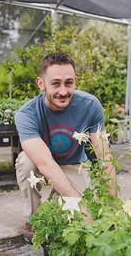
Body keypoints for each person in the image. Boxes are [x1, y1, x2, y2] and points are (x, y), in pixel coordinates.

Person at [15, 52, 117, 238]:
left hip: (74, 165)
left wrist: (112, 205)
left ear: (75, 81)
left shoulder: (91, 105)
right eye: (55, 83)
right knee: (25, 161)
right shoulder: (26, 114)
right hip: (41, 165)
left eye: (68, 83)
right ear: (41, 84)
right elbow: (45, 163)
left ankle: (59, 200)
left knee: (85, 217)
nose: (63, 91)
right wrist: (79, 205)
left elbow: (104, 156)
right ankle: (34, 220)